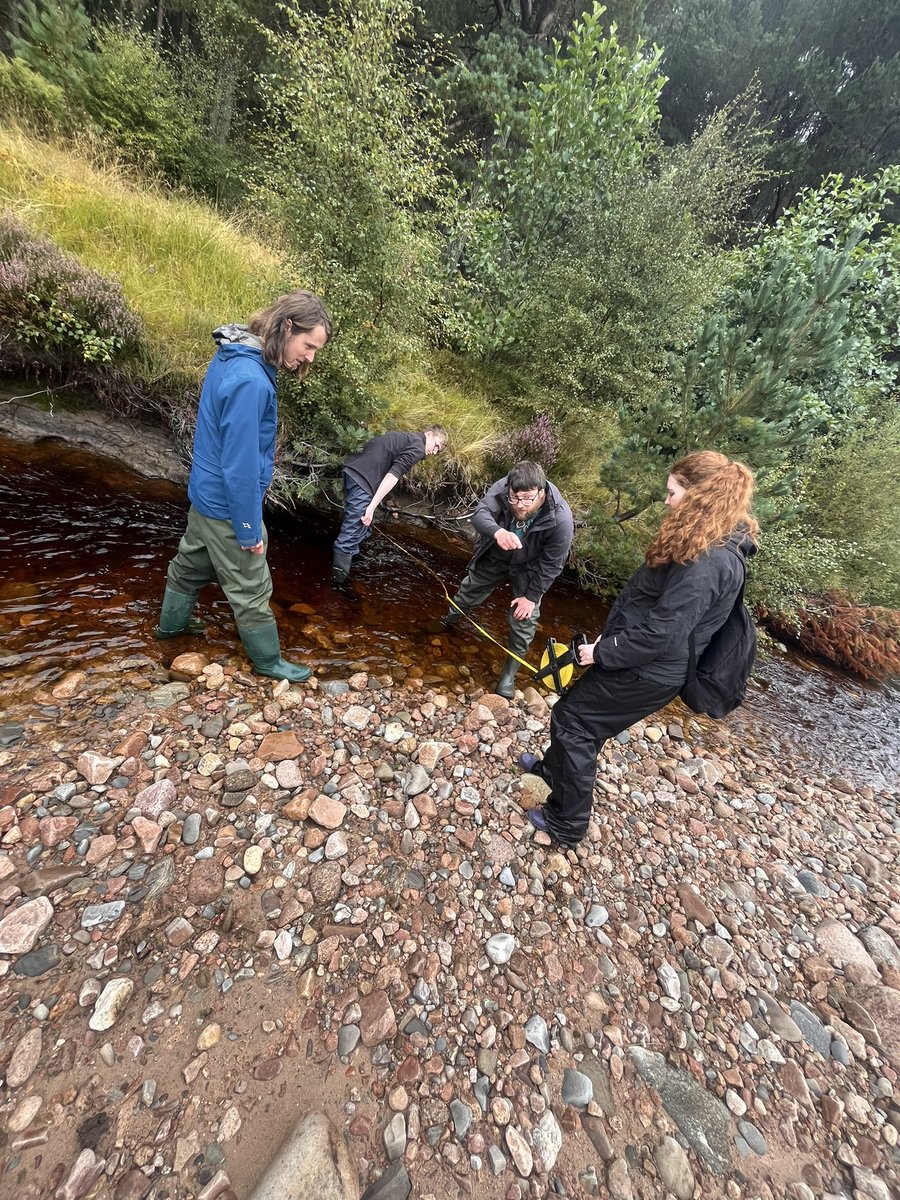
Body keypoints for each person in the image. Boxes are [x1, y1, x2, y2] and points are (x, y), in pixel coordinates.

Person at [518, 450, 758, 847]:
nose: (666, 501)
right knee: (582, 718)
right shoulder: (712, 540)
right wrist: (610, 644)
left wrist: (604, 653)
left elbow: (663, 632)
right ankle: (551, 772)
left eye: (673, 493)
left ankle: (567, 823)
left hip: (649, 669)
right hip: (643, 660)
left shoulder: (710, 560)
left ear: (700, 496)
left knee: (574, 723)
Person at [155, 290, 332, 682]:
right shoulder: (253, 381)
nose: (310, 357)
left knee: (188, 568)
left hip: (204, 494)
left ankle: (170, 631)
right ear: (287, 327)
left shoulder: (233, 353)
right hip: (226, 504)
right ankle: (268, 663)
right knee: (252, 589)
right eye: (308, 345)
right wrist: (249, 528)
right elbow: (241, 465)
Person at [442, 460, 574, 699]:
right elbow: (480, 514)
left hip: (530, 569)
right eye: (515, 498)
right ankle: (448, 621)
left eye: (527, 499)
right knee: (469, 589)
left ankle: (508, 675)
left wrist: (531, 598)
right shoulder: (504, 487)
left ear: (541, 493)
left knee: (523, 621)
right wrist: (498, 531)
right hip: (499, 551)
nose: (520, 505)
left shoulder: (561, 519)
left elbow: (552, 564)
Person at [331, 426, 448, 584]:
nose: (434, 452)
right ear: (429, 434)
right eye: (436, 446)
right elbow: (392, 476)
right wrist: (372, 507)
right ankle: (338, 587)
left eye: (438, 450)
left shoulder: (406, 438)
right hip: (363, 478)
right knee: (352, 533)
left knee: (364, 527)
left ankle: (354, 568)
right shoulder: (418, 447)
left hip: (352, 469)